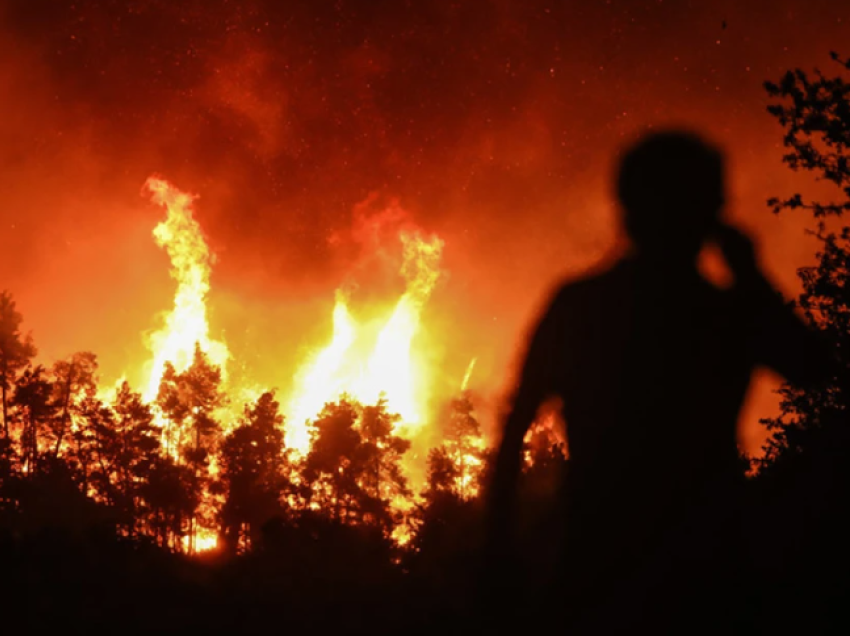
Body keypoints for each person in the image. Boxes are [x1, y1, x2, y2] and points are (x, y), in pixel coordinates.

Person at [483, 130, 834, 632]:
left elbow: (515, 426)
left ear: (624, 207)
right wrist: (751, 276)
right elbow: (815, 369)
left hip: (600, 567)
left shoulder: (583, 305)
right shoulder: (721, 313)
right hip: (705, 572)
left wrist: (498, 549)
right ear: (711, 213)